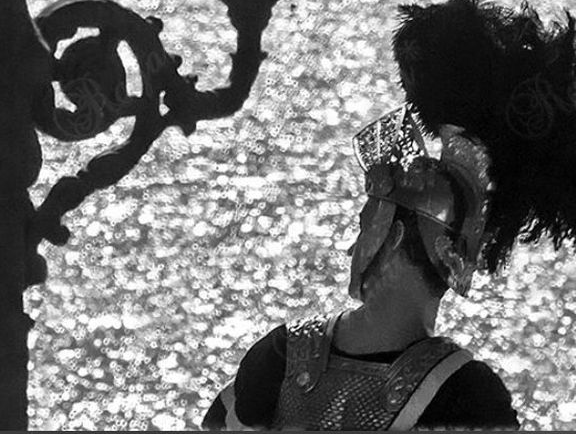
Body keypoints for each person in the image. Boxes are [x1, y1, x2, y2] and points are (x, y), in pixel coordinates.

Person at [202, 106, 519, 430]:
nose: (351, 249)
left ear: (393, 236)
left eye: (364, 226)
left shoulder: (465, 396)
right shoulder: (281, 355)